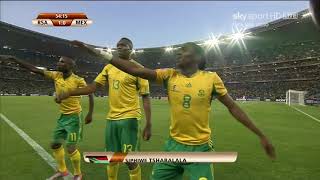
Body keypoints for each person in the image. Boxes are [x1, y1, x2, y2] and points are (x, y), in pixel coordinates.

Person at [64, 41, 276, 180]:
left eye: (183, 52)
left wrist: (261, 134)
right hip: (172, 147)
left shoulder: (211, 79)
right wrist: (100, 53)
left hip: (200, 149)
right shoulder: (169, 75)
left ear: (196, 57)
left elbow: (233, 107)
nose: (178, 55)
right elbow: (135, 69)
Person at [57, 38, 152, 180]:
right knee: (112, 158)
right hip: (111, 119)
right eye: (117, 46)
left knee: (130, 160)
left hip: (130, 118)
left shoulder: (138, 68)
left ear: (131, 49)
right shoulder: (109, 67)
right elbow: (92, 87)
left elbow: (145, 96)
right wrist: (70, 92)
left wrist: (148, 123)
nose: (119, 48)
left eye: (123, 46)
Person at [0, 55, 94, 180]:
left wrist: (90, 113)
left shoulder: (78, 80)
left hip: (74, 118)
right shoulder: (56, 75)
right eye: (59, 61)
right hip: (63, 117)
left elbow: (90, 93)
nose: (58, 63)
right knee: (55, 144)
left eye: (62, 62)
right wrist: (14, 59)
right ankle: (63, 171)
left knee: (71, 148)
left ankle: (78, 174)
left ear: (70, 66)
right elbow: (35, 70)